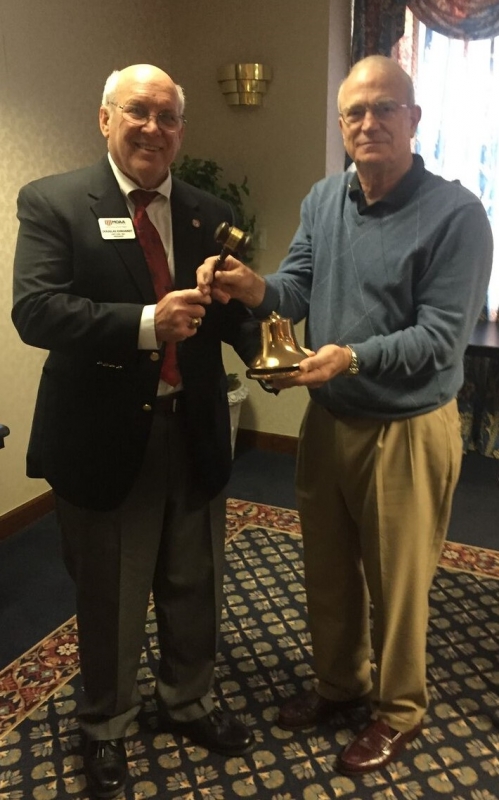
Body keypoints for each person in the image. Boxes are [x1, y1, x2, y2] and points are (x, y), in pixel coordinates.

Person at [197, 55, 493, 775]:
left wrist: (348, 358)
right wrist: (251, 287)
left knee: (397, 586)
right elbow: (295, 286)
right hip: (328, 422)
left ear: (413, 118)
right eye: (354, 112)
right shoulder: (324, 197)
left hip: (405, 428)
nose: (369, 122)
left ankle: (399, 710)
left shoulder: (457, 215)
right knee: (327, 570)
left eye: (384, 108)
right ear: (340, 125)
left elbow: (438, 337)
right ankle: (339, 685)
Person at [12, 64, 262, 799]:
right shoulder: (55, 201)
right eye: (137, 112)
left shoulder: (207, 210)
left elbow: (225, 315)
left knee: (195, 579)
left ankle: (187, 701)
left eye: (168, 116)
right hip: (103, 436)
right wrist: (149, 323)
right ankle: (105, 723)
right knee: (112, 595)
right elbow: (36, 310)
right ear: (105, 119)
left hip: (195, 426)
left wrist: (271, 354)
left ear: (182, 130)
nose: (153, 128)